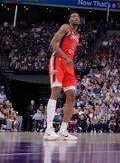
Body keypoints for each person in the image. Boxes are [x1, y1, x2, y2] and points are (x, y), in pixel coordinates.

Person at [44, 12, 81, 141]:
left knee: (71, 95)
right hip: (58, 60)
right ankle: (48, 129)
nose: (76, 18)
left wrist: (68, 60)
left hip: (68, 65)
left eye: (78, 17)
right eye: (73, 16)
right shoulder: (66, 28)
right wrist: (65, 57)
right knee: (56, 91)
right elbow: (53, 43)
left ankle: (63, 130)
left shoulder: (77, 35)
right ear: (69, 20)